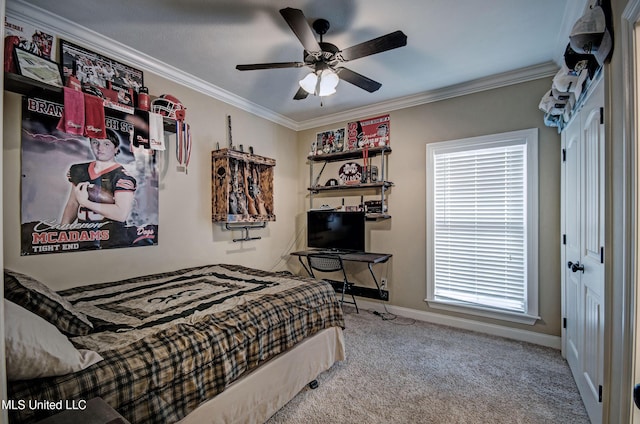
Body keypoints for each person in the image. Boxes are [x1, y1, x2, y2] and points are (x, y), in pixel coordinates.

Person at [61, 129, 137, 226]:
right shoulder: (79, 169)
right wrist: (63, 229)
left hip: (113, 237)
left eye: (106, 144)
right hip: (84, 235)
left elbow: (120, 215)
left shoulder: (123, 177)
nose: (100, 147)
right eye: (95, 142)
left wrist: (85, 202)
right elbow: (73, 203)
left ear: (116, 149)